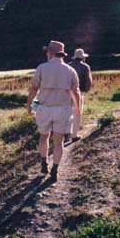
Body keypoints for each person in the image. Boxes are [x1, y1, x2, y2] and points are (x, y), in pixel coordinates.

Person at [27, 40, 81, 181]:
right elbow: (75, 92)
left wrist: (30, 107)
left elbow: (34, 90)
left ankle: (44, 163)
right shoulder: (70, 70)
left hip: (44, 109)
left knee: (43, 137)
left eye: (47, 52)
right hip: (63, 110)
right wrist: (77, 108)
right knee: (59, 142)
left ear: (51, 53)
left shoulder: (41, 68)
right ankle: (55, 170)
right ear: (61, 54)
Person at [69, 48, 92, 141]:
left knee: (68, 113)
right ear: (82, 57)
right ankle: (74, 135)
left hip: (67, 92)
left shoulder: (68, 66)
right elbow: (88, 81)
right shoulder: (86, 67)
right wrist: (85, 91)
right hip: (79, 91)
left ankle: (67, 133)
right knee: (77, 113)